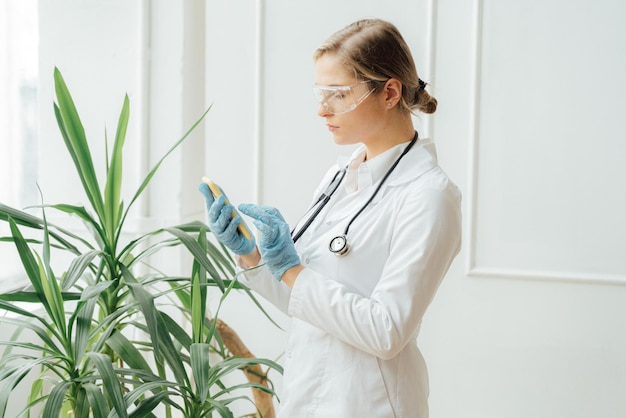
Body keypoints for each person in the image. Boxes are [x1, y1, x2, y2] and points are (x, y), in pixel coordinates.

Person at [199, 18, 462, 418]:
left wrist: (290, 269)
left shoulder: (429, 196)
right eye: (321, 93)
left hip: (370, 404)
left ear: (389, 92)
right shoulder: (341, 175)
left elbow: (387, 330)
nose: (322, 109)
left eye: (338, 94)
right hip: (309, 396)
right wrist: (252, 255)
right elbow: (304, 300)